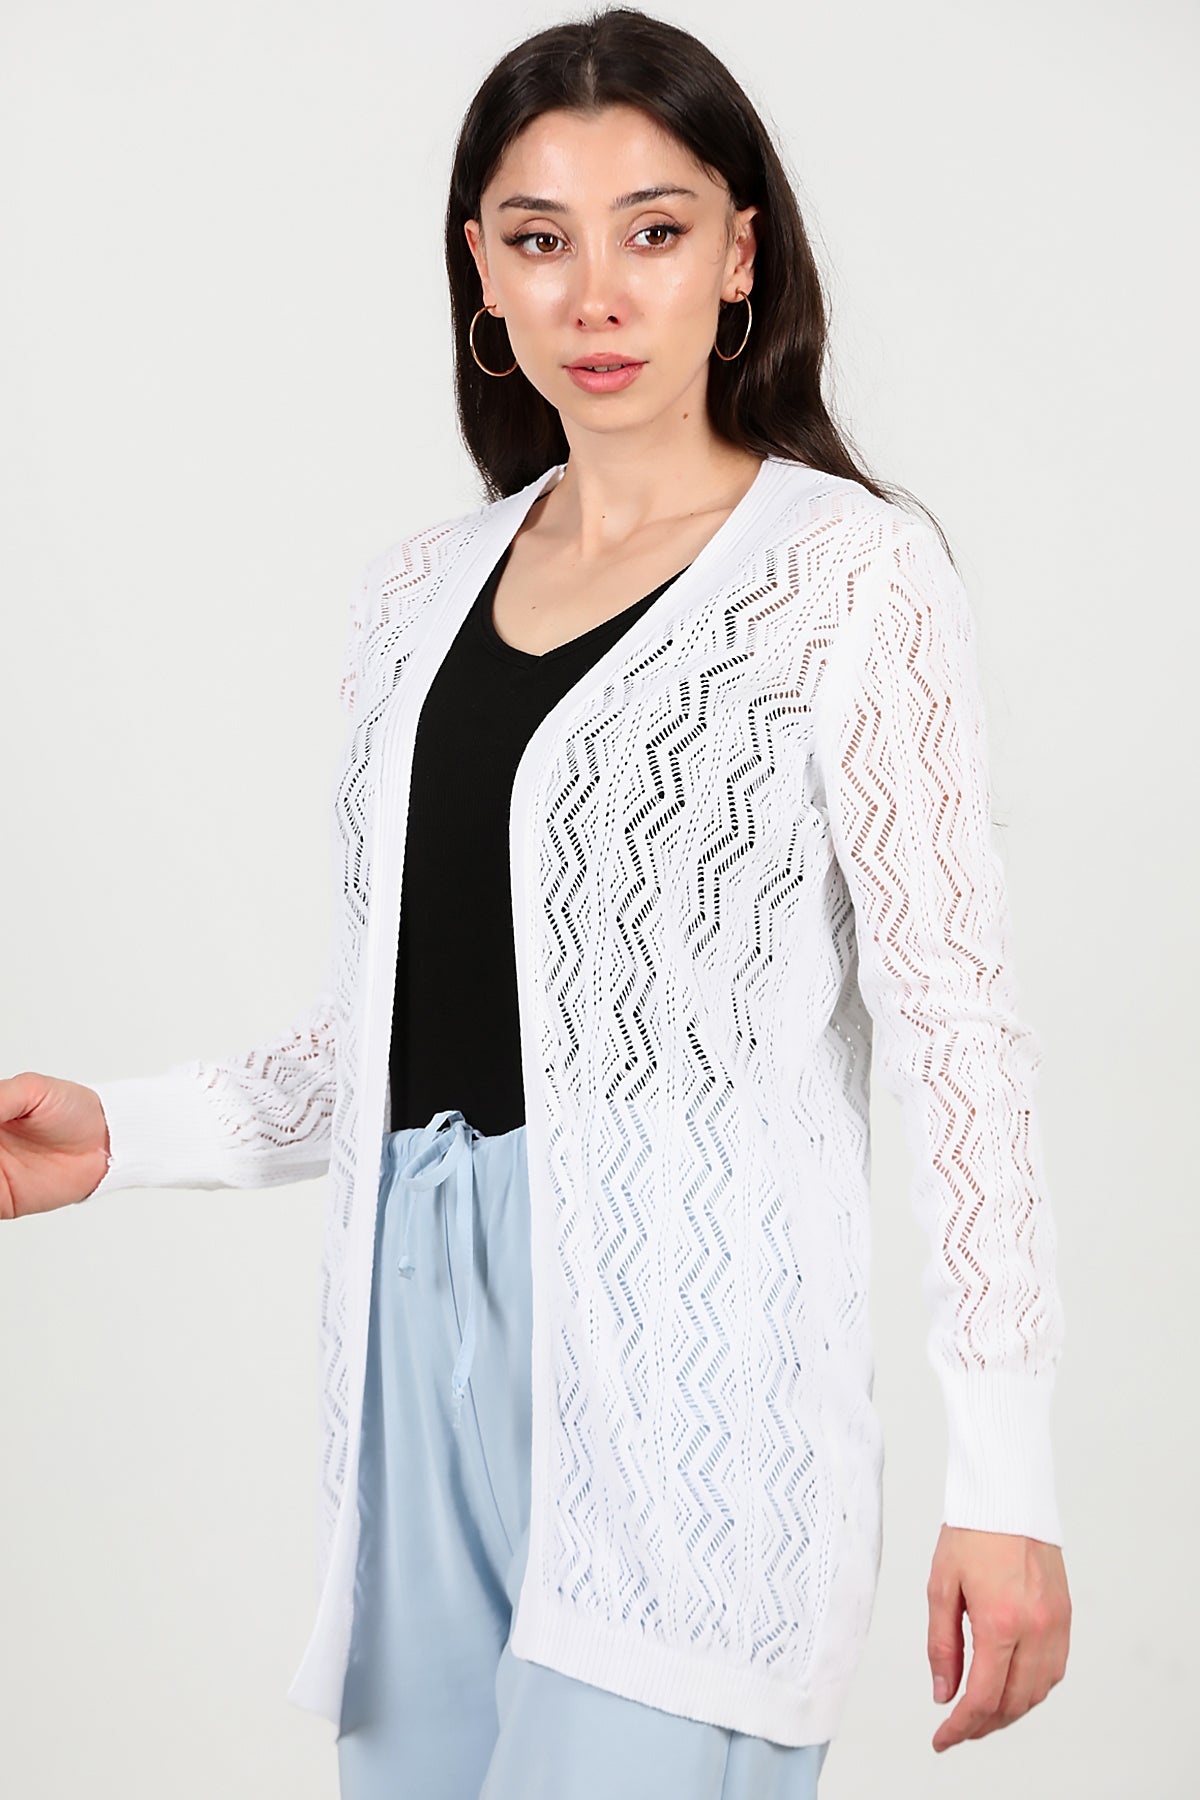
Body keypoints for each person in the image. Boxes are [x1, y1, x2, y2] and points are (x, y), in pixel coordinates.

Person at [0, 6, 1072, 1796]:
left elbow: (963, 1038)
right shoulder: (413, 595)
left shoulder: (851, 582)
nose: (599, 295)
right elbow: (415, 1021)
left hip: (693, 1398)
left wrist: (1007, 1479)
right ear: (481, 274)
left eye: (654, 230)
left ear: (741, 256)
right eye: (540, 237)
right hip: (406, 1365)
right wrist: (121, 1134)